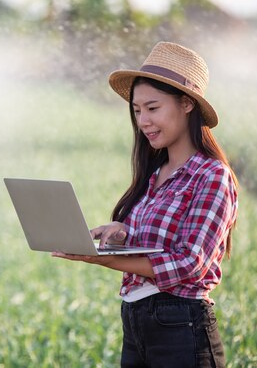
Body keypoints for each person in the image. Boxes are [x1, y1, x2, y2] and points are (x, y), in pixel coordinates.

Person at [52, 41, 239, 368]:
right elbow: (158, 242)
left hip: (181, 327)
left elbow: (188, 262)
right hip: (137, 321)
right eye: (137, 111)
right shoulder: (154, 174)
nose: (143, 121)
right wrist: (122, 232)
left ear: (186, 104)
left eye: (152, 108)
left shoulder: (211, 176)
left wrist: (106, 261)